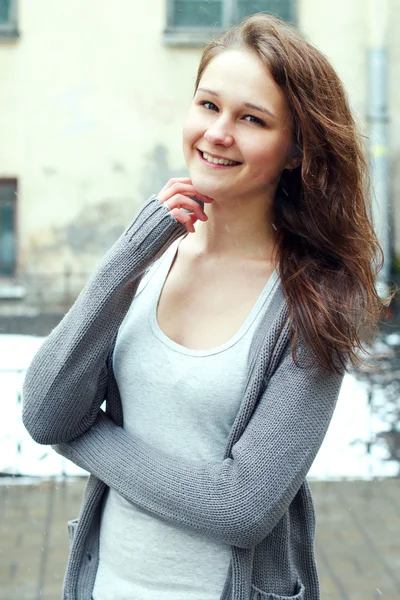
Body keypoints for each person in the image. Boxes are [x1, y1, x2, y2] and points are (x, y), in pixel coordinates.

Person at [22, 13, 387, 600]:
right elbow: (43, 409)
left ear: (295, 150)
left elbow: (241, 506)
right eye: (208, 105)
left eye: (252, 119)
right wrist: (128, 257)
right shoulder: (149, 259)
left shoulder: (317, 300)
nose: (218, 133)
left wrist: (81, 439)